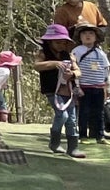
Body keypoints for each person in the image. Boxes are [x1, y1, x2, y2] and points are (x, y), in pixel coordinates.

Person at [35, 25, 84, 158]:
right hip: (52, 90)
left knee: (72, 119)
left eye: (63, 42)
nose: (60, 45)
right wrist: (54, 63)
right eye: (57, 42)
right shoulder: (43, 53)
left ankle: (73, 148)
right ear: (50, 41)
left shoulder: (69, 56)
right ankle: (54, 142)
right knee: (62, 115)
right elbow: (36, 66)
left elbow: (79, 72)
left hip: (68, 91)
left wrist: (72, 74)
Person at [70, 22, 110, 146]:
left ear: (96, 37)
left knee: (99, 112)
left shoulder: (101, 53)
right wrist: (76, 87)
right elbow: (73, 69)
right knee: (84, 111)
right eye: (84, 33)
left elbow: (106, 71)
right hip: (84, 87)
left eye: (90, 33)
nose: (87, 36)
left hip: (99, 87)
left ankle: (100, 135)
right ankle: (82, 135)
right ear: (80, 37)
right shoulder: (76, 51)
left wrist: (109, 88)